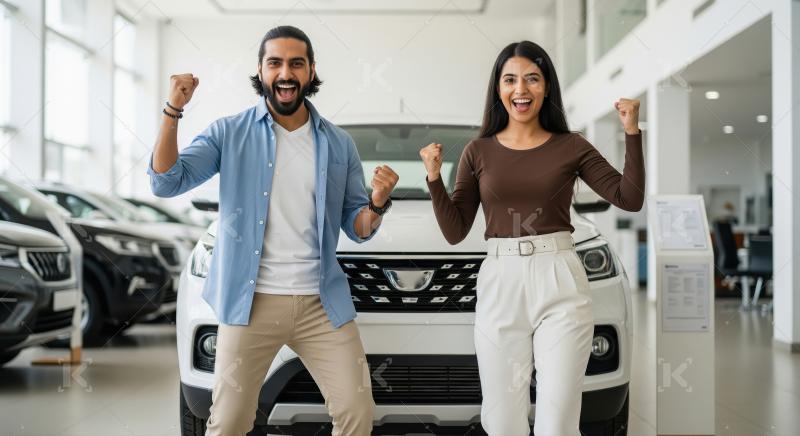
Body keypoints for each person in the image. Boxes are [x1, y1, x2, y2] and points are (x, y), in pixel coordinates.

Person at [149, 25, 399, 436]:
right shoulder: (230, 133)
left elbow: (358, 228)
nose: (286, 73)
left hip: (322, 305)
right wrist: (173, 110)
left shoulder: (338, 144)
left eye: (296, 63)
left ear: (311, 70)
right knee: (228, 422)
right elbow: (165, 181)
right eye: (275, 63)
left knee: (357, 414)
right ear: (261, 71)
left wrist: (376, 201)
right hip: (250, 304)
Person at [419, 40, 645, 435]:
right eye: (510, 80)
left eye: (532, 79)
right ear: (498, 89)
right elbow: (455, 231)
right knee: (502, 419)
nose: (520, 89)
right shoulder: (478, 151)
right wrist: (434, 178)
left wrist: (631, 132)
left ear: (546, 88)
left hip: (560, 279)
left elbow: (629, 197)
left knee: (557, 422)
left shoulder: (571, 146)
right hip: (501, 281)